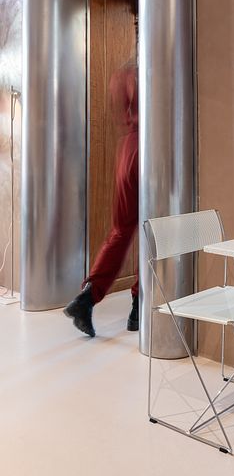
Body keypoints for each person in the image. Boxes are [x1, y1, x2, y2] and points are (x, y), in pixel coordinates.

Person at [64, 55, 139, 338]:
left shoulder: (121, 75)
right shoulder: (154, 68)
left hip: (127, 151)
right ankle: (138, 307)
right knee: (152, 232)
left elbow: (121, 115)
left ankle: (87, 297)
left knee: (121, 230)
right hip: (149, 148)